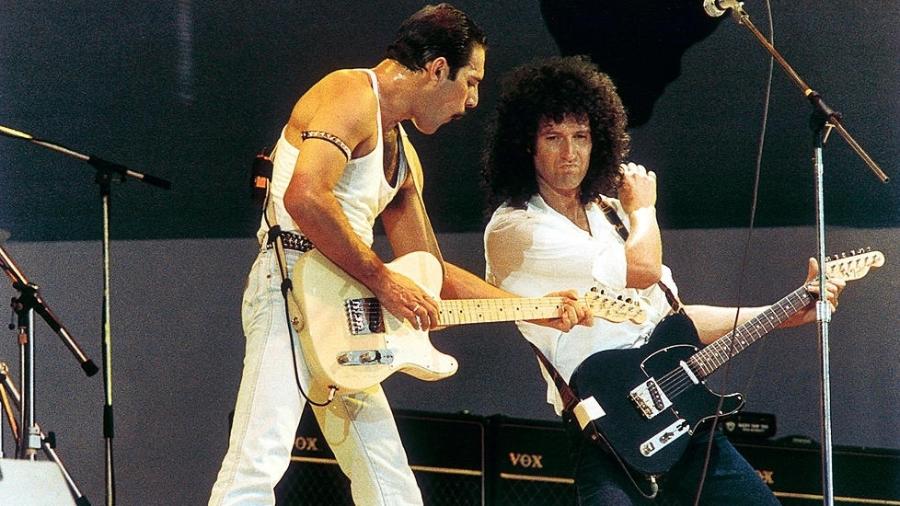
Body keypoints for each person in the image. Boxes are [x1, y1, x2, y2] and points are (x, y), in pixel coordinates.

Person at [209, 6, 588, 506]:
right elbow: (305, 197)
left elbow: (430, 272)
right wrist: (385, 282)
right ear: (436, 70)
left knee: (390, 483)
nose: (472, 101)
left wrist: (538, 306)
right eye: (471, 82)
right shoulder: (349, 92)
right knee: (257, 463)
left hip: (347, 309)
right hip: (289, 288)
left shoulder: (403, 157)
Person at [481, 56, 845, 505]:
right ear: (526, 146)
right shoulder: (515, 228)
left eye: (581, 136)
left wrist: (786, 311)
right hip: (607, 433)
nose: (570, 153)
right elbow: (643, 271)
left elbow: (674, 319)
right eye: (553, 137)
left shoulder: (611, 215)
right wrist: (645, 209)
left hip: (683, 420)